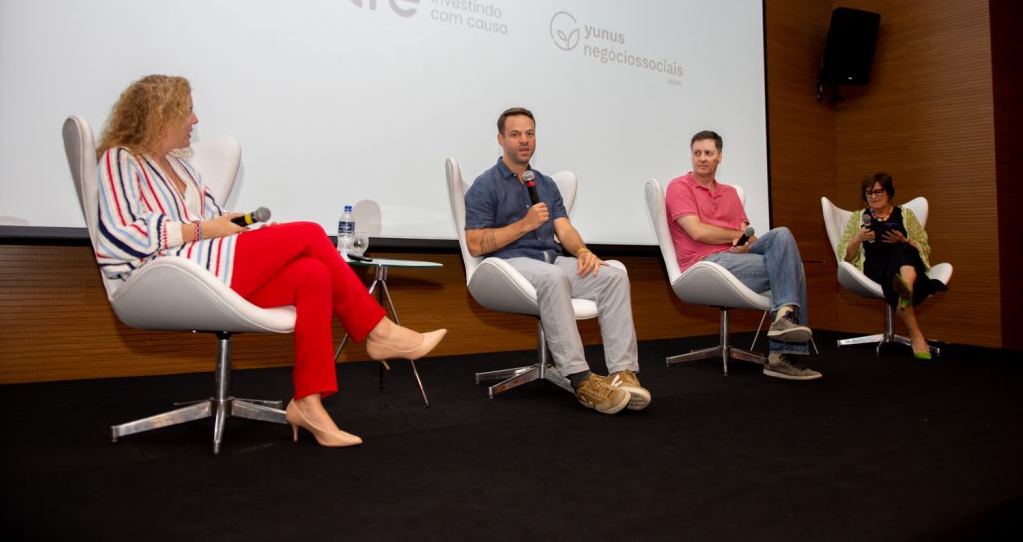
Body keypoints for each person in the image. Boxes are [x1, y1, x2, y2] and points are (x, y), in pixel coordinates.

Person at [95, 74, 446, 447]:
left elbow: (217, 221)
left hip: (212, 267)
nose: (194, 121)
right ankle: (379, 332)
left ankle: (309, 403)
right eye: (187, 111)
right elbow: (117, 236)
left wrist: (242, 229)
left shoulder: (181, 168)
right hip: (170, 275)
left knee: (312, 274)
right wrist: (201, 230)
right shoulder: (120, 160)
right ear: (159, 114)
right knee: (309, 233)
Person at [463, 107, 650, 415]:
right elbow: (474, 244)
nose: (524, 140)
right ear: (501, 139)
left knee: (613, 275)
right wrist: (524, 224)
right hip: (508, 265)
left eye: (530, 133)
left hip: (551, 260)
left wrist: (583, 252)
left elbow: (564, 229)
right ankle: (581, 379)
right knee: (554, 278)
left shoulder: (545, 184)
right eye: (515, 134)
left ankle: (623, 372)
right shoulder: (486, 185)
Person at [665, 130, 822, 380]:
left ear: (720, 157)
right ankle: (780, 355)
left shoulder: (729, 193)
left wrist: (745, 244)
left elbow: (744, 236)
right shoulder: (679, 186)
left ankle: (783, 317)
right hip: (704, 264)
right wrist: (734, 238)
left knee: (782, 235)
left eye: (708, 153)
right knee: (793, 268)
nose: (702, 158)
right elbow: (697, 232)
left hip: (735, 258)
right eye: (697, 153)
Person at [836, 172, 947, 360]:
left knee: (901, 248)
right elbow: (845, 257)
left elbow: (923, 245)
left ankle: (906, 288)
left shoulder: (905, 214)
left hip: (903, 266)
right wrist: (858, 238)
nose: (874, 196)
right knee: (897, 259)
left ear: (889, 193)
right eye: (869, 193)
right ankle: (913, 320)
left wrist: (903, 239)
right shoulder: (857, 218)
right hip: (875, 269)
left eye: (878, 192)